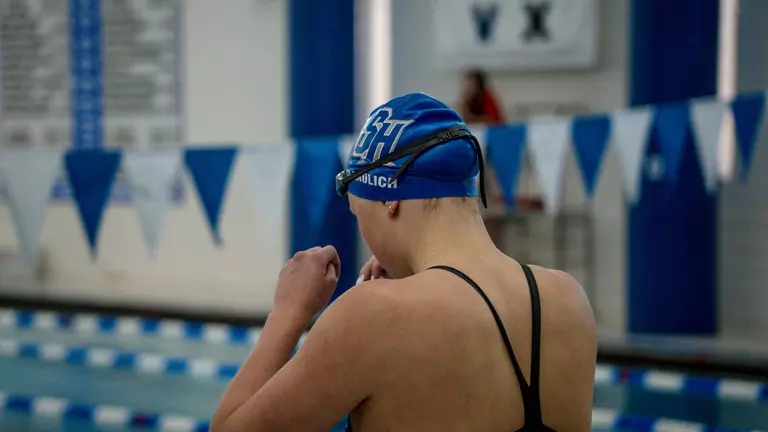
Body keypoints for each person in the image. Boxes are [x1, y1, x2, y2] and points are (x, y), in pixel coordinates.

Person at [211, 93, 597, 432]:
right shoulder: (567, 299)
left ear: (389, 199)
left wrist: (288, 312)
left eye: (357, 212)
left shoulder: (370, 317)